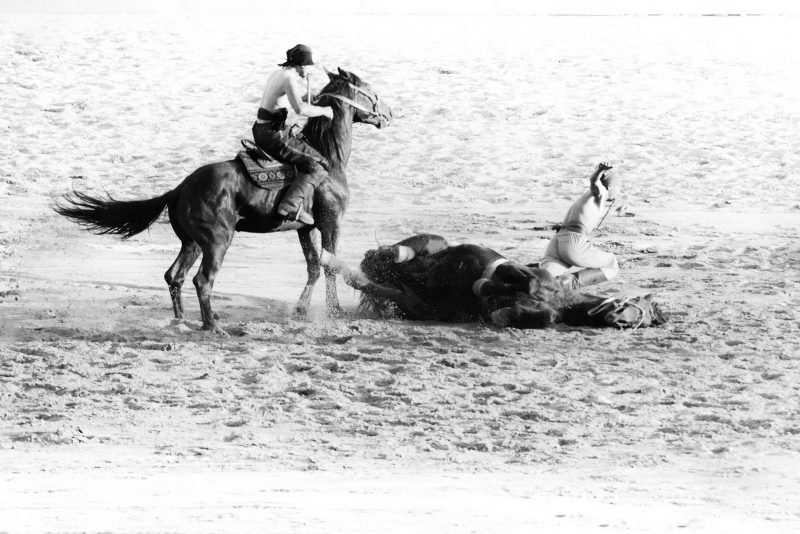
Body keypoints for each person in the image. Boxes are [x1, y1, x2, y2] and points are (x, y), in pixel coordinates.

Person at [252, 44, 334, 225]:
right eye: (309, 66)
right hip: (273, 134)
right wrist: (324, 110)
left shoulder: (279, 74)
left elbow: (283, 102)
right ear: (302, 65)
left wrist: (305, 96)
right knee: (319, 164)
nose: (310, 70)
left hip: (260, 128)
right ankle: (289, 205)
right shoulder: (289, 78)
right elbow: (300, 110)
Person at [539, 162, 621, 289]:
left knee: (545, 278)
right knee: (611, 264)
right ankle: (566, 284)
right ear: (610, 187)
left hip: (558, 239)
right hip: (573, 242)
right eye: (618, 188)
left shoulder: (587, 197)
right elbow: (594, 181)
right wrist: (600, 170)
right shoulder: (601, 192)